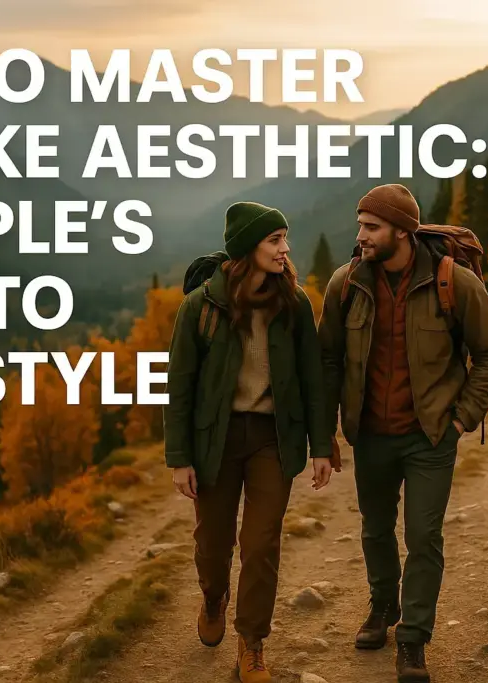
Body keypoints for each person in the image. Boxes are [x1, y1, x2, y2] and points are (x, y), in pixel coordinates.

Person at [317, 184, 488, 683]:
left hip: (429, 437)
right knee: (376, 530)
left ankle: (413, 639)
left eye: (371, 227)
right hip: (371, 435)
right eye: (360, 224)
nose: (360, 236)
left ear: (402, 231)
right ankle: (384, 607)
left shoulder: (454, 282)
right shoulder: (346, 283)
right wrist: (327, 434)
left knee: (424, 537)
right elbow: (327, 361)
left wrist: (463, 417)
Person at [163, 200, 340, 683]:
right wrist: (179, 458)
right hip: (214, 441)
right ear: (247, 249)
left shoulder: (295, 304)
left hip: (272, 440)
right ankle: (212, 596)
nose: (285, 249)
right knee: (213, 545)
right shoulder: (200, 307)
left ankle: (252, 643)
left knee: (261, 544)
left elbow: (312, 378)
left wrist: (322, 445)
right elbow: (179, 386)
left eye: (284, 239)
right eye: (274, 240)